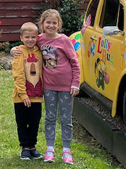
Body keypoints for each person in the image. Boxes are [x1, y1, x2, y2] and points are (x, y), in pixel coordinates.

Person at [15, 9, 81, 164]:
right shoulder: (39, 39)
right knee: (50, 118)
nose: (51, 25)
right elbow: (27, 43)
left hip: (66, 87)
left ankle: (66, 150)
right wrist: (14, 49)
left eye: (54, 22)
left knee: (65, 119)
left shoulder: (64, 40)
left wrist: (75, 83)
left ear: (59, 25)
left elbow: (75, 63)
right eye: (48, 22)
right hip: (48, 87)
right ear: (42, 24)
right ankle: (49, 149)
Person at [12, 22, 44, 160]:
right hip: (21, 97)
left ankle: (32, 146)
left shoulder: (40, 51)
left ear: (37, 37)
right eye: (27, 37)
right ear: (21, 37)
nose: (30, 40)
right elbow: (18, 74)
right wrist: (23, 94)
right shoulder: (19, 52)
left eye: (33, 37)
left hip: (37, 95)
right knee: (22, 121)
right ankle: (25, 147)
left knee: (35, 121)